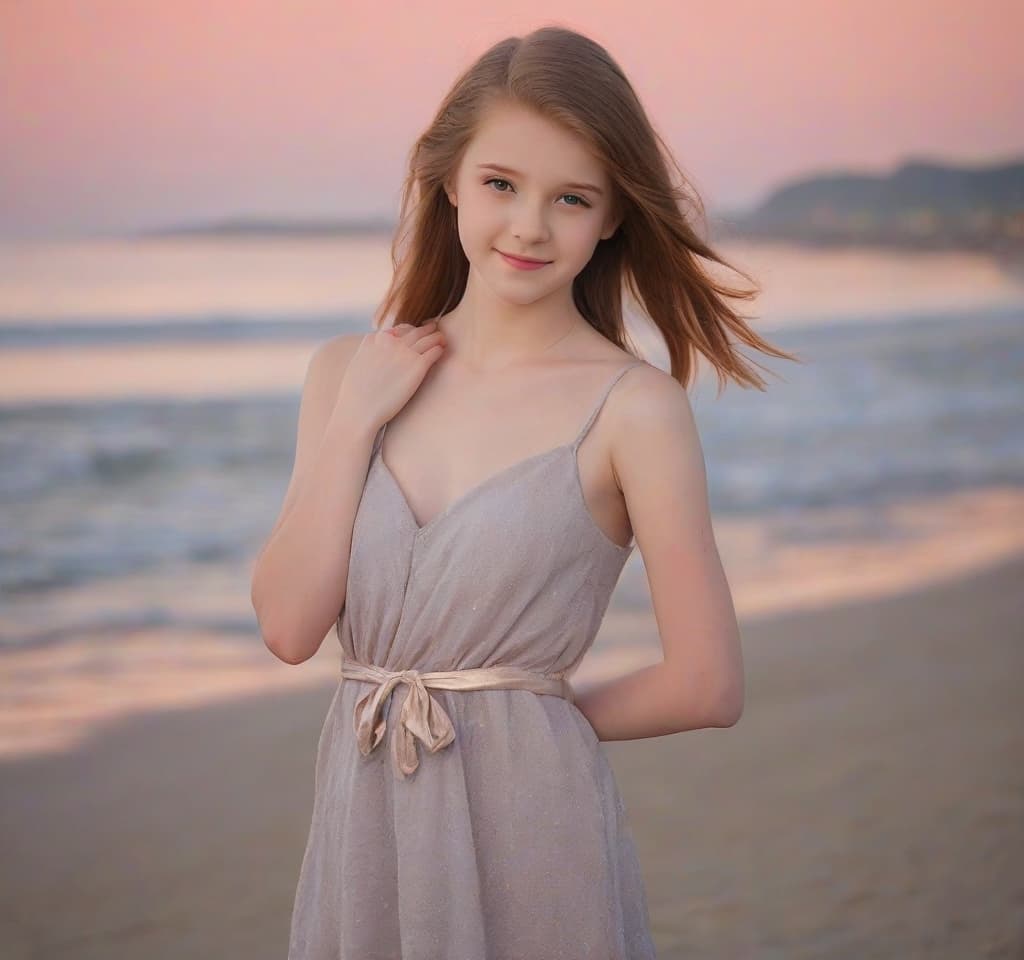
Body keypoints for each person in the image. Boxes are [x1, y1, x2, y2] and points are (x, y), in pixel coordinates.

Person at [251, 24, 799, 960]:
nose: (530, 226)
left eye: (572, 198)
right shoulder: (348, 372)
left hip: (532, 824)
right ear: (448, 178)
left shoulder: (635, 410)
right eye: (501, 184)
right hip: (365, 828)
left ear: (614, 215)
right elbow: (291, 627)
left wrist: (516, 717)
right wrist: (353, 423)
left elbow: (708, 683)